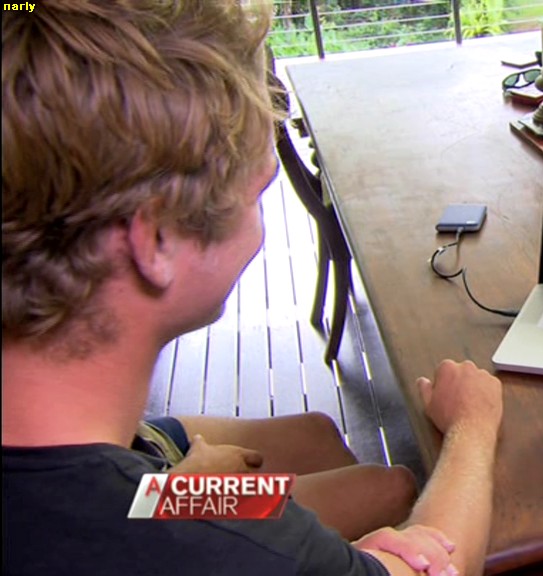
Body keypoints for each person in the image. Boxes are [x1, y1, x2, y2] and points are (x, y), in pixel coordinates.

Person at [1, 2, 503, 576]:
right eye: (258, 191)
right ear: (157, 239)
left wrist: (183, 491)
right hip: (162, 508)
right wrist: (472, 425)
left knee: (324, 440)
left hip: (158, 481)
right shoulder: (195, 545)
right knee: (393, 490)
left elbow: (133, 506)